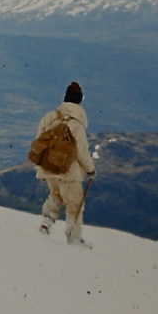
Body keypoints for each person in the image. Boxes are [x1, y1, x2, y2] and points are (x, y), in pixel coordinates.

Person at [35, 81, 96, 245]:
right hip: (69, 172)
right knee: (74, 203)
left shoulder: (49, 117)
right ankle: (73, 237)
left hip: (49, 167)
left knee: (55, 195)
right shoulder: (76, 124)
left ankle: (45, 224)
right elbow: (82, 152)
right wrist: (90, 170)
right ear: (80, 101)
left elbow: (39, 140)